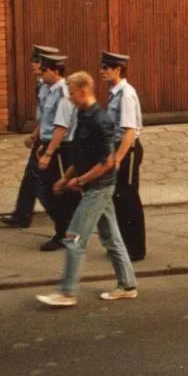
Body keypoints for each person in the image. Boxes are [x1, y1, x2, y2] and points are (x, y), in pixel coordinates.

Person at [35, 72, 137, 307]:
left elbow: (108, 161)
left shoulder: (101, 120)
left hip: (98, 187)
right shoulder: (82, 114)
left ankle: (67, 293)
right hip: (94, 185)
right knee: (112, 238)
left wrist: (80, 181)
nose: (69, 97)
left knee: (73, 238)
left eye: (71, 93)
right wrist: (66, 178)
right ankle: (127, 285)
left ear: (83, 90)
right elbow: (81, 155)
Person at [0, 44, 58, 229]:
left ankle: (64, 220)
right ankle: (22, 214)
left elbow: (55, 119)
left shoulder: (52, 88)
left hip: (53, 138)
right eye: (33, 61)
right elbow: (44, 116)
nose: (32, 65)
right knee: (31, 176)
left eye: (36, 61)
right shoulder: (42, 85)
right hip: (43, 135)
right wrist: (34, 136)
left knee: (43, 182)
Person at [99, 51, 146, 262]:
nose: (102, 72)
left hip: (128, 149)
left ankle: (136, 248)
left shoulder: (126, 94)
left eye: (105, 68)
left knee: (128, 198)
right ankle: (125, 244)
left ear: (117, 69)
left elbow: (129, 131)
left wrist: (118, 158)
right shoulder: (115, 92)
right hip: (118, 147)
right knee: (119, 198)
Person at [35, 53, 79, 252]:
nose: (40, 72)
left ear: (55, 71)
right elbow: (46, 119)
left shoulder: (63, 93)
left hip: (61, 149)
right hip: (49, 144)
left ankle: (65, 233)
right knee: (45, 191)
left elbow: (61, 128)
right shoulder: (49, 89)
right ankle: (68, 229)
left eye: (44, 69)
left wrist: (49, 153)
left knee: (57, 192)